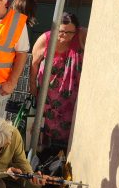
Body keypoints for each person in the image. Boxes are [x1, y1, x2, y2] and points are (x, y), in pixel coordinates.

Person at [29, 12, 87, 147]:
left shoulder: (81, 35)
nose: (65, 36)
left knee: (70, 119)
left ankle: (63, 149)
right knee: (47, 120)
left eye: (70, 32)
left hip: (72, 90)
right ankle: (45, 148)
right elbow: (34, 64)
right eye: (61, 32)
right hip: (48, 91)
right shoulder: (45, 39)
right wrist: (32, 85)